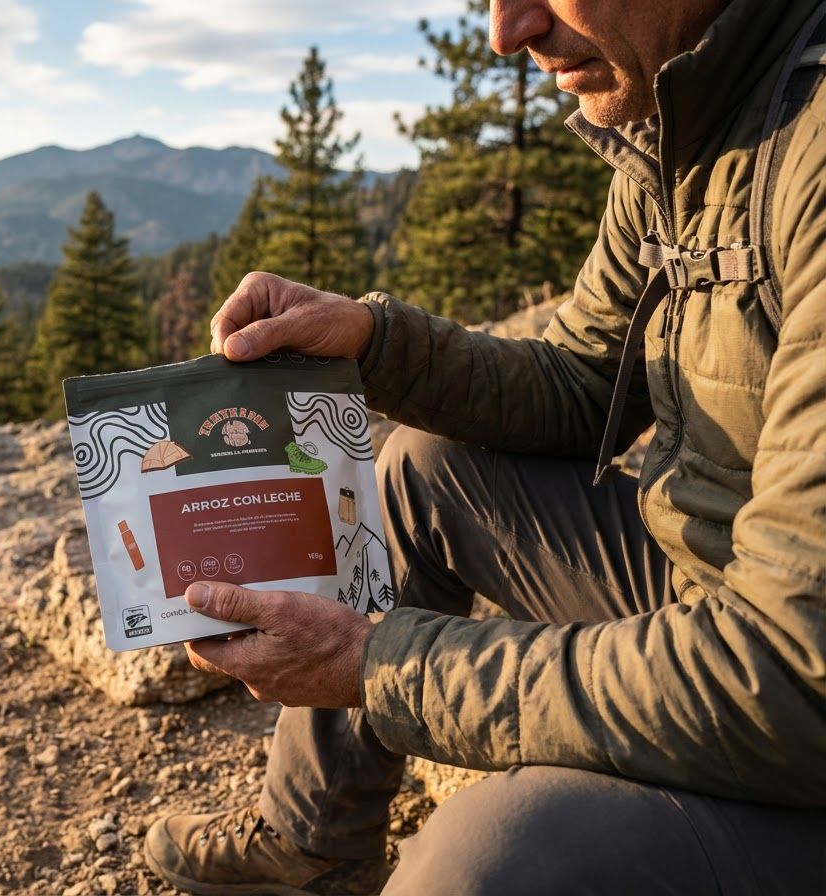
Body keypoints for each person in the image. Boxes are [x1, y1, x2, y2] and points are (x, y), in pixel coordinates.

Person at [141, 0, 826, 893]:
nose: (509, 33)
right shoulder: (690, 114)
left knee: (489, 861)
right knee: (420, 472)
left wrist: (378, 663)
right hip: (719, 580)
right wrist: (372, 343)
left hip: (788, 687)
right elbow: (583, 381)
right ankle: (310, 843)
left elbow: (791, 678)